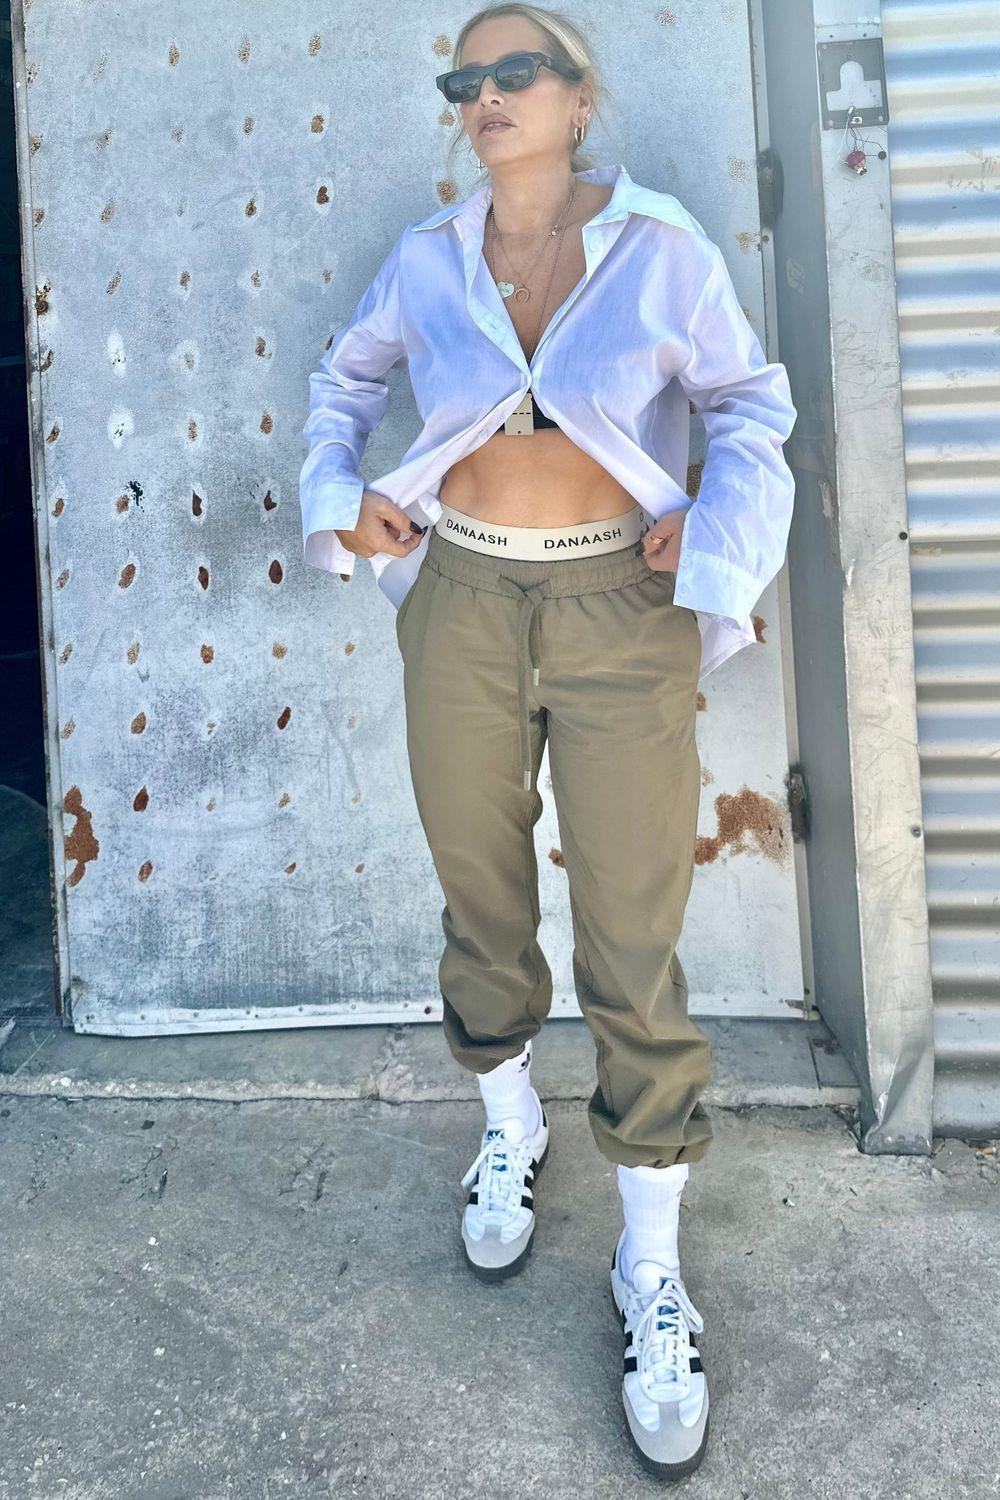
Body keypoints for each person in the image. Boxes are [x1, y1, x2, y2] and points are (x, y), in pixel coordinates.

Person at [299, 2, 797, 1480]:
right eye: (465, 78)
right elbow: (344, 384)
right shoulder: (428, 257)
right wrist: (339, 493)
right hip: (460, 596)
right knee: (480, 883)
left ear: (581, 98)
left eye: (517, 70)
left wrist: (715, 535)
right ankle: (510, 1123)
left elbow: (748, 409)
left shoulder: (662, 247)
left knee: (633, 923)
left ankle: (651, 1263)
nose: (486, 94)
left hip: (617, 606)